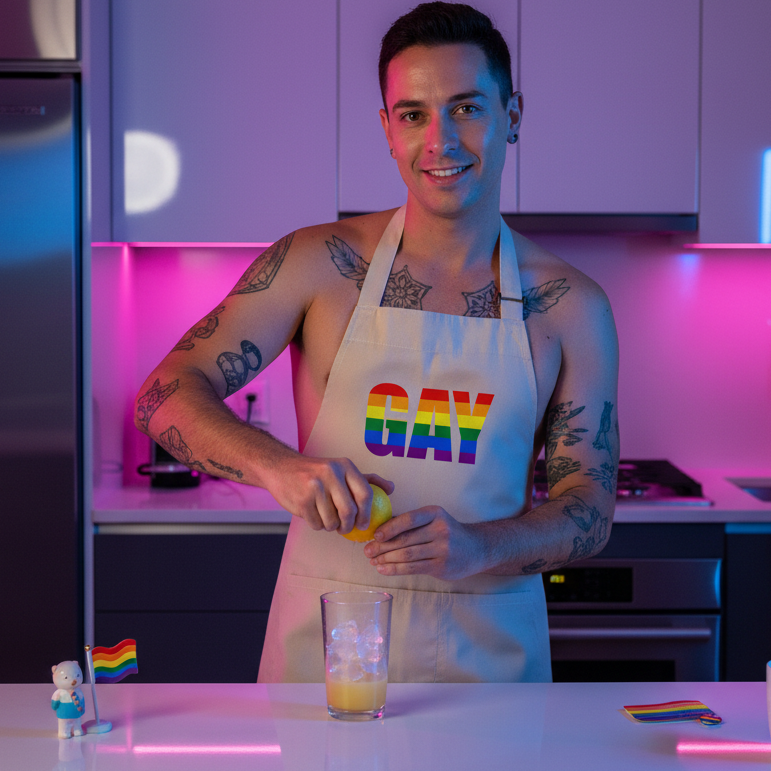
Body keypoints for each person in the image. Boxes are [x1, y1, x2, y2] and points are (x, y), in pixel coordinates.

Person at [134, 1, 619, 683]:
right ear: (388, 129)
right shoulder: (317, 265)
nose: (440, 141)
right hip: (324, 659)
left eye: (466, 108)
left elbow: (589, 508)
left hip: (491, 668)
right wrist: (282, 469)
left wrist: (479, 546)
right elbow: (163, 394)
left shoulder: (571, 307)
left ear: (511, 116)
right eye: (413, 114)